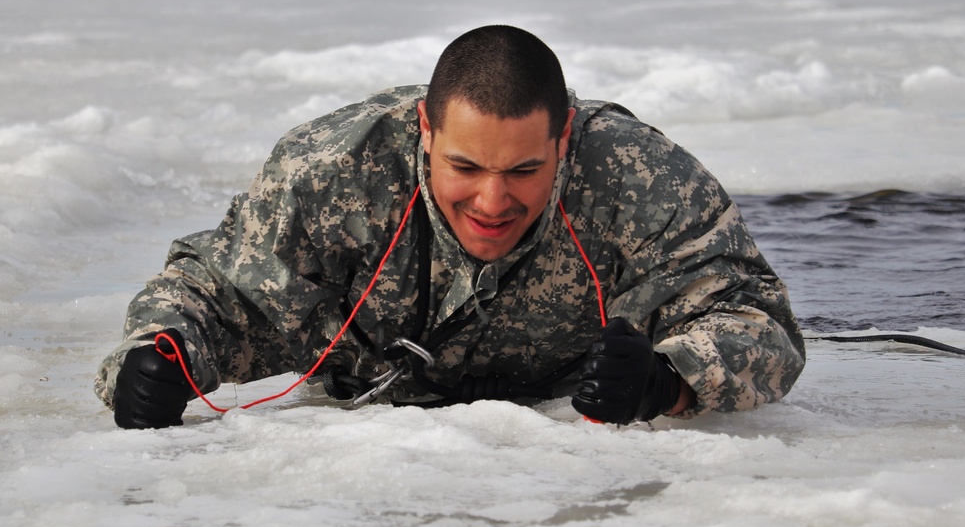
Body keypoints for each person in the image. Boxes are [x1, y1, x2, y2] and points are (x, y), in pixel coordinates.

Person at [96, 25, 806, 429]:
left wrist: (665, 380)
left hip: (558, 440)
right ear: (425, 131)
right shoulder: (330, 170)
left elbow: (759, 323)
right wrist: (157, 356)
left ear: (563, 139)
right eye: (465, 166)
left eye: (524, 170)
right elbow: (214, 290)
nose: (493, 201)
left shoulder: (638, 174)